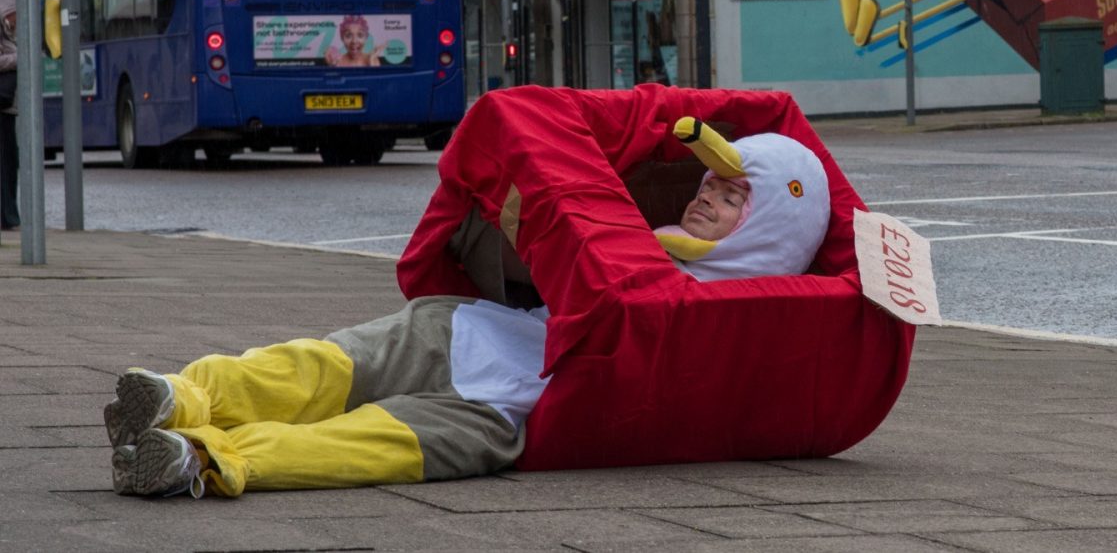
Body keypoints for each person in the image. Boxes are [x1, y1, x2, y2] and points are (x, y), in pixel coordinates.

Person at [104, 120, 830, 499]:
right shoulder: (649, 241)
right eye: (708, 186)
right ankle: (183, 396)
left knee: (354, 448)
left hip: (505, 412)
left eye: (732, 198)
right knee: (319, 366)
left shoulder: (744, 311)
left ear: (771, 228)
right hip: (468, 331)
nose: (705, 199)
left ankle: (199, 460)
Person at [0, 0, 18, 229]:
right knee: (6, 164)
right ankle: (7, 217)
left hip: (8, 107)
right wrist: (19, 59)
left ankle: (9, 215)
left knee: (11, 164)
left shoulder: (10, 32)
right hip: (2, 107)